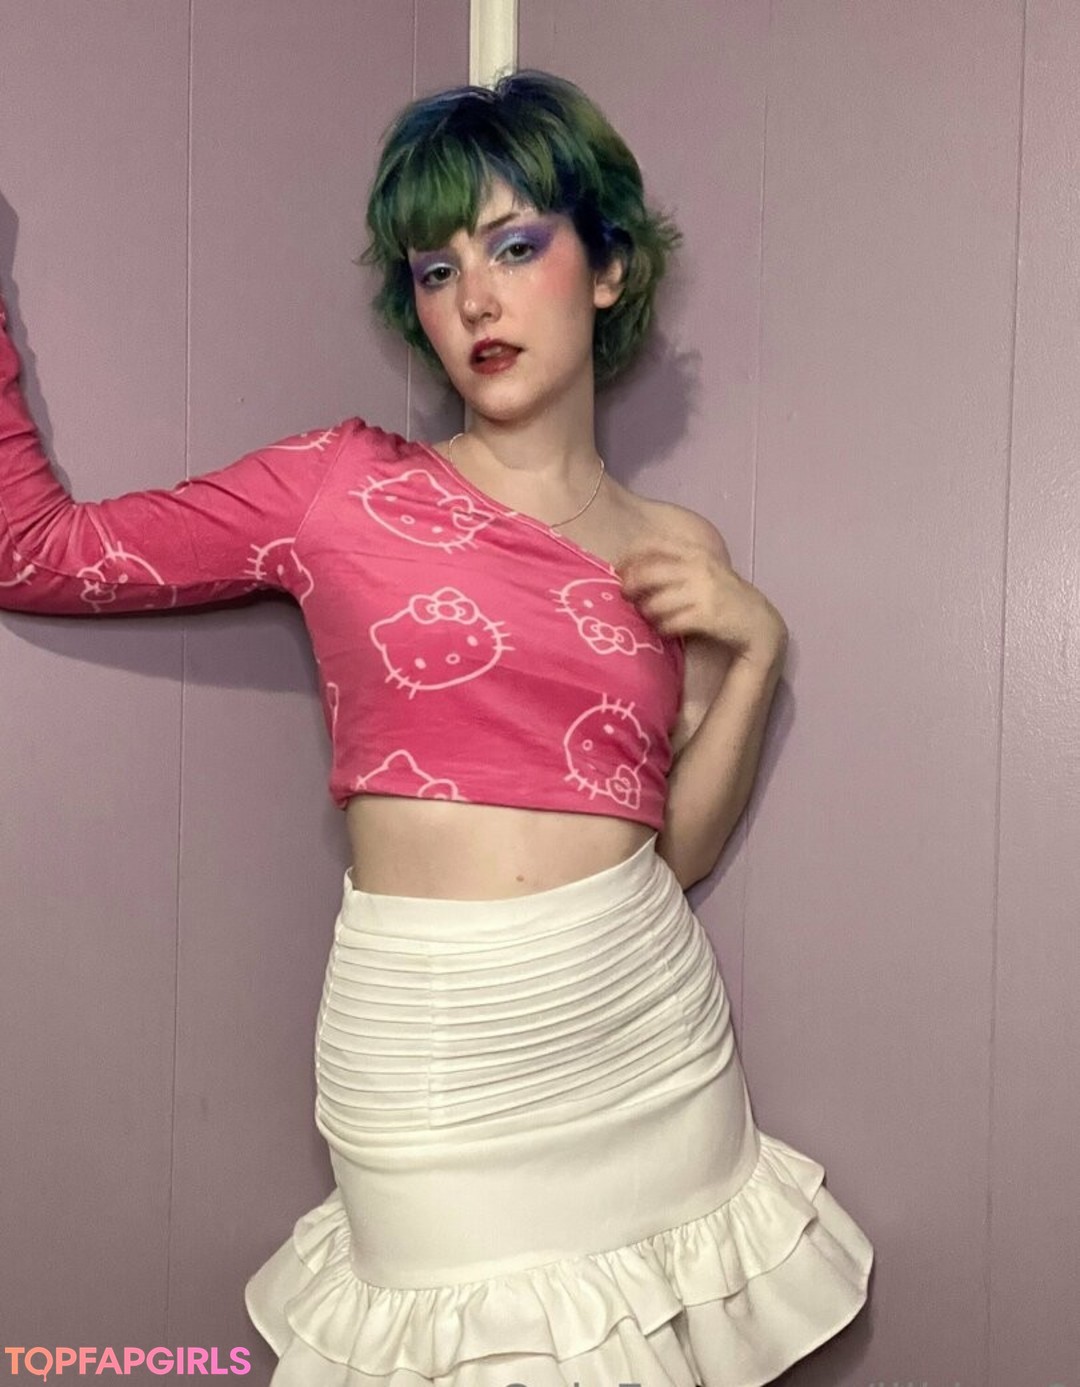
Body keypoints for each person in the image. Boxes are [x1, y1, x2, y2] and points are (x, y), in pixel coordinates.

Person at [0, 69, 872, 1387]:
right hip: (432, 1051)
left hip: (643, 1034)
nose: (475, 300)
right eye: (436, 269)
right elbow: (35, 552)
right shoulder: (336, 490)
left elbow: (673, 852)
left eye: (517, 248)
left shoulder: (677, 547)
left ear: (607, 269)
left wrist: (755, 655)